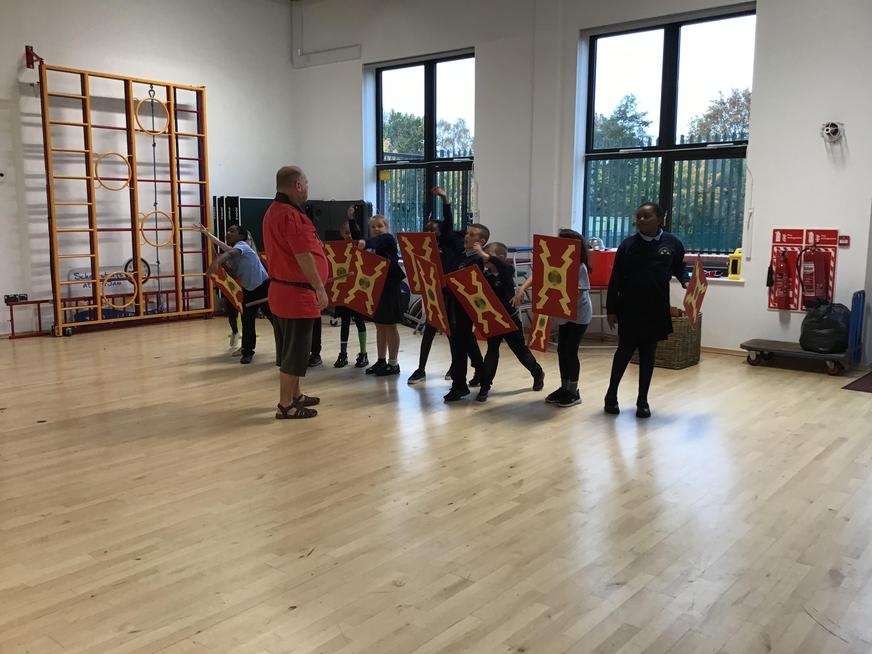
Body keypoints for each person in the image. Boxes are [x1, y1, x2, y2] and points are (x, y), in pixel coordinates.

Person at [604, 202, 688, 418]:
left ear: (660, 219)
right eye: (639, 216)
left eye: (647, 216)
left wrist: (686, 281)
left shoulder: (672, 242)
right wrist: (611, 309)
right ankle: (611, 396)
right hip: (630, 307)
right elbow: (615, 278)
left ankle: (643, 400)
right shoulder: (628, 245)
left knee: (648, 354)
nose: (641, 220)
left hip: (657, 307)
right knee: (624, 351)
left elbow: (679, 266)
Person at [262, 165, 328, 419]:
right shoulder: (291, 216)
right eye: (306, 183)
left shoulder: (273, 211)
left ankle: (296, 394)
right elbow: (303, 255)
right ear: (298, 185)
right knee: (295, 354)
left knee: (290, 350)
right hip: (296, 296)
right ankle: (286, 405)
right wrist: (319, 287)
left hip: (282, 293)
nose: (308, 188)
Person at [407, 186, 482, 385]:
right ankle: (421, 369)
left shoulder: (451, 240)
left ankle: (459, 368)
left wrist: (445, 199)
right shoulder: (429, 247)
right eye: (426, 229)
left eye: (433, 229)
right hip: (436, 294)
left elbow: (448, 222)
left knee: (454, 334)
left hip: (452, 296)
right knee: (430, 330)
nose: (429, 232)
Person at [513, 228, 593, 407]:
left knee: (570, 352)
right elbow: (539, 274)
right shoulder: (553, 262)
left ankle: (573, 391)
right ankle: (564, 387)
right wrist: (522, 289)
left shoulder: (579, 267)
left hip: (578, 315)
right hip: (563, 314)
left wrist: (554, 298)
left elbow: (578, 292)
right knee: (561, 351)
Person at [472, 241, 544, 402]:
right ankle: (485, 385)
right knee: (492, 351)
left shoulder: (507, 270)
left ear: (501, 258)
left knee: (521, 352)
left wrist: (484, 254)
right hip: (494, 319)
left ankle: (538, 373)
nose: (486, 259)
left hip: (510, 320)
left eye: (489, 256)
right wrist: (481, 257)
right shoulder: (486, 276)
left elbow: (502, 266)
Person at [200, 223, 272, 364]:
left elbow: (228, 253)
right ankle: (247, 352)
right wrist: (207, 234)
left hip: (263, 287)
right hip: (249, 290)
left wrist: (217, 261)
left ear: (241, 236)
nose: (228, 233)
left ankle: (285, 348)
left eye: (232, 231)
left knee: (275, 320)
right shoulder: (234, 250)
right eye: (227, 231)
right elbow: (224, 248)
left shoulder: (243, 245)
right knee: (247, 322)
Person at [444, 222, 491, 402]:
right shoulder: (462, 255)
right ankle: (481, 371)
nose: (466, 236)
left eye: (471, 234)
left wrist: (447, 285)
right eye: (467, 233)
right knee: (467, 341)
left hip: (464, 308)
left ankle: (459, 385)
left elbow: (464, 284)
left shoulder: (477, 260)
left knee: (459, 346)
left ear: (481, 241)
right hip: (454, 305)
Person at [356, 215, 405, 377]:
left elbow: (378, 241)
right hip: (378, 288)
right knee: (380, 325)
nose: (376, 229)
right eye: (373, 227)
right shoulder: (375, 243)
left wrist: (365, 242)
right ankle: (381, 360)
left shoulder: (388, 239)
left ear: (386, 228)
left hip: (391, 288)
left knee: (390, 326)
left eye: (380, 226)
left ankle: (393, 363)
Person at [334, 206, 369, 369]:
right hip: (344, 292)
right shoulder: (338, 251)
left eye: (351, 233)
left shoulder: (359, 247)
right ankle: (343, 353)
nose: (349, 236)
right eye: (346, 233)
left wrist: (351, 219)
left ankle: (363, 353)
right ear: (342, 234)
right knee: (345, 322)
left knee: (360, 322)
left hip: (357, 291)